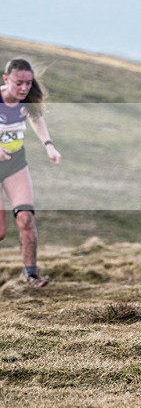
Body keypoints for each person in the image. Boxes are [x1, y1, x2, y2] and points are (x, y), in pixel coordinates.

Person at [0, 59, 61, 287]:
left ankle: (31, 276)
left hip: (15, 164)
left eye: (28, 83)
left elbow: (36, 119)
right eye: (18, 83)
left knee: (26, 218)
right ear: (6, 80)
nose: (24, 88)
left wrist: (49, 145)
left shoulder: (27, 101)